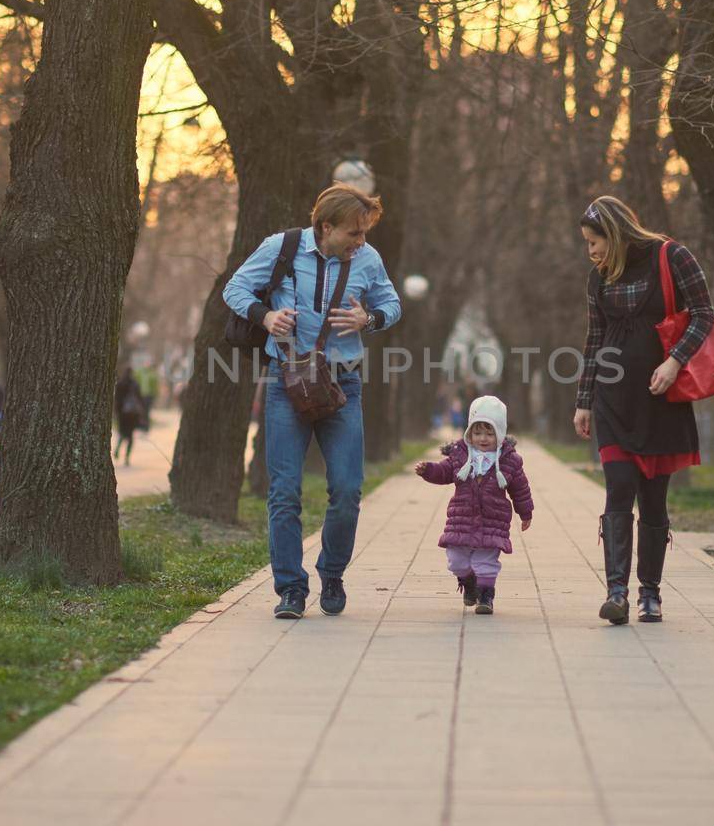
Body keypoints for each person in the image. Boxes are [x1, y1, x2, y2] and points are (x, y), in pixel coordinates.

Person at [223, 184, 402, 619]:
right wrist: (265, 317)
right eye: (355, 233)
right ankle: (290, 589)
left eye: (364, 234)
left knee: (346, 489)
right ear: (326, 227)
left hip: (343, 385)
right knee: (283, 491)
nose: (361, 242)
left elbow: (392, 304)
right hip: (288, 382)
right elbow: (235, 289)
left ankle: (333, 573)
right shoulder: (281, 248)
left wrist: (369, 317)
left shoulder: (368, 259)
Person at [574, 195, 714, 626]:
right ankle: (616, 593)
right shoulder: (598, 279)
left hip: (661, 402)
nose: (591, 251)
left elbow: (704, 315)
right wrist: (583, 400)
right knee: (618, 488)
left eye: (594, 241)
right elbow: (594, 339)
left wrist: (675, 362)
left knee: (654, 500)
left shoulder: (672, 257)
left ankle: (649, 594)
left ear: (614, 233)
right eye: (586, 243)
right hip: (613, 401)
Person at [415, 396, 534, 615]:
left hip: (493, 520)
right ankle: (468, 582)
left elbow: (520, 488)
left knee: (485, 562)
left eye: (490, 433)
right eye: (478, 433)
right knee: (456, 561)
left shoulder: (509, 460)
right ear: (469, 432)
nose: (483, 439)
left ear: (500, 433)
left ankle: (486, 596)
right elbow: (443, 472)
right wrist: (428, 470)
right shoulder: (460, 456)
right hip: (461, 519)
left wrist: (525, 512)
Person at [114, 367, 147, 465]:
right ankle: (127, 458)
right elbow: (140, 399)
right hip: (132, 414)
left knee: (122, 433)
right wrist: (142, 413)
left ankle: (117, 449)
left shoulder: (120, 384)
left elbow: (116, 399)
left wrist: (116, 412)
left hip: (122, 414)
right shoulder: (135, 384)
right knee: (130, 436)